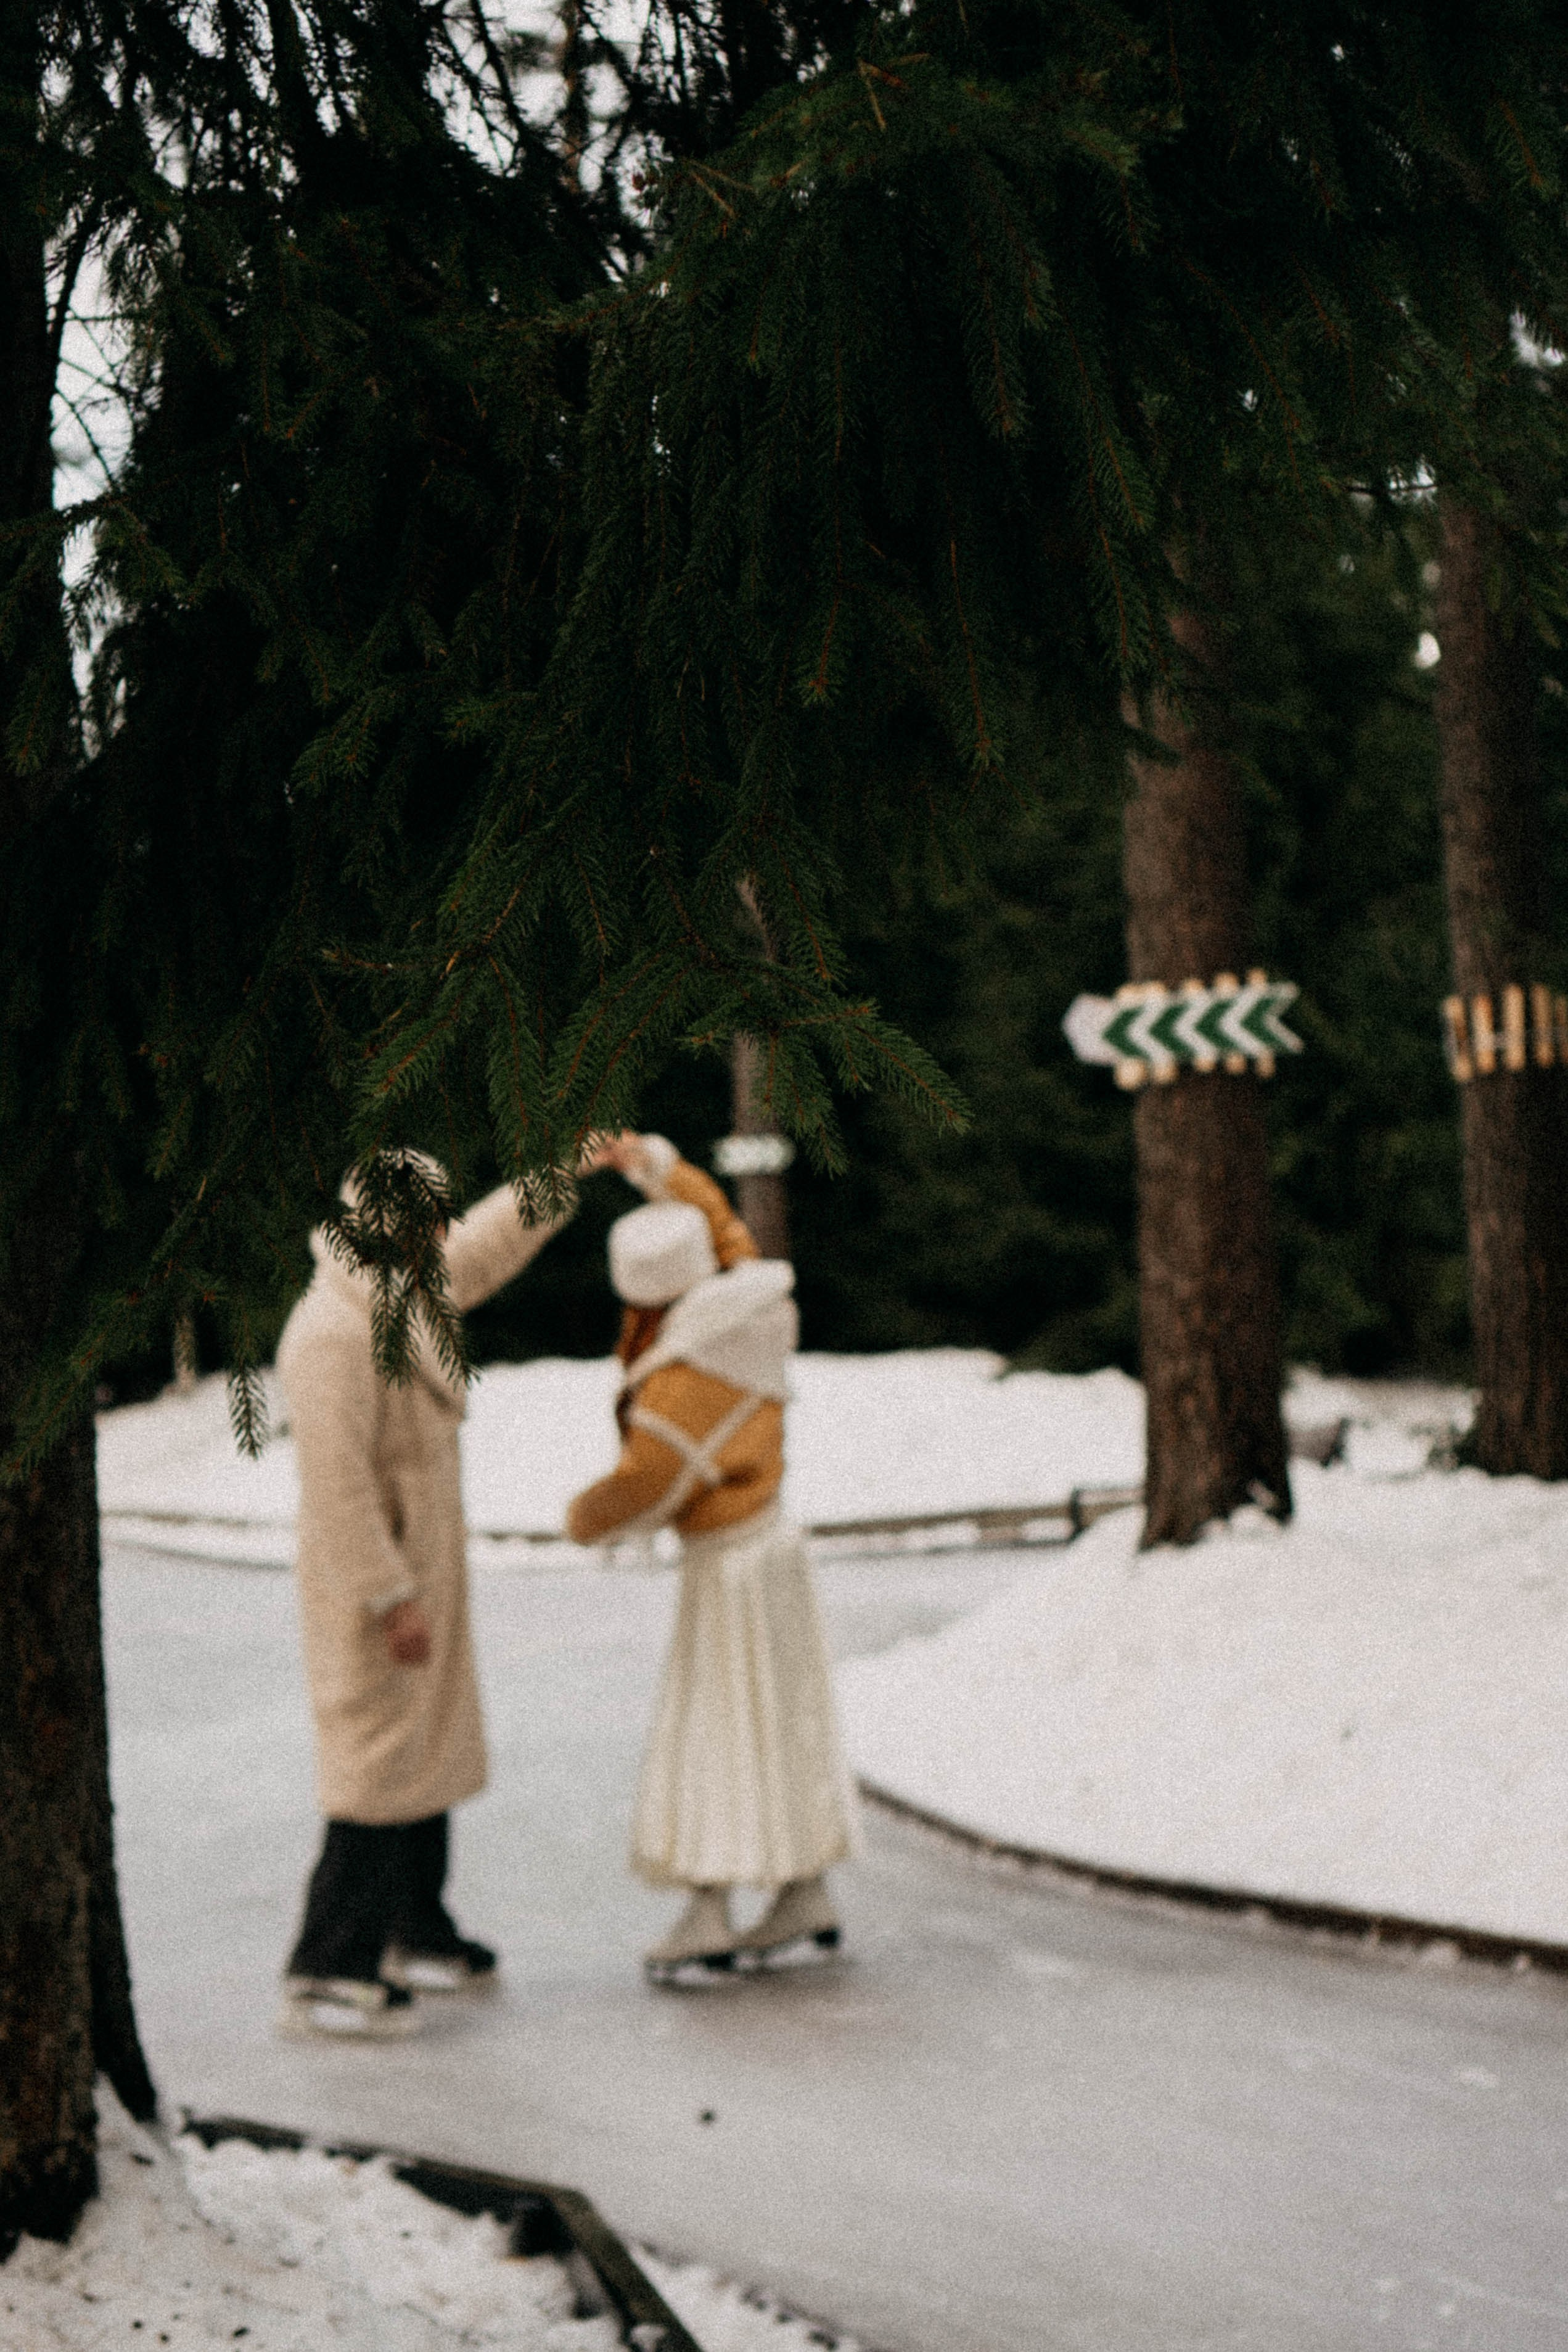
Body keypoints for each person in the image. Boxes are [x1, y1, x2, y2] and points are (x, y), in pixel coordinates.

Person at [276, 1154, 573, 2037]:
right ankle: (329, 1956)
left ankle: (417, 1926)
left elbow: (486, 1246)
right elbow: (337, 1487)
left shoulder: (402, 1293)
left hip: (425, 1571)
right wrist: (388, 1594)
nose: (442, 1233)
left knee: (424, 1751)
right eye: (426, 1221)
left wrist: (561, 1173)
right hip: (376, 1586)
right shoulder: (331, 1332)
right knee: (376, 1761)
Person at [567, 1132, 857, 1978]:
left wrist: (579, 1520)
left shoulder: (683, 1375)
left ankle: (708, 1907)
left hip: (726, 1568)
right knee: (782, 1723)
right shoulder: (747, 1301)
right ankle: (803, 1884)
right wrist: (646, 1162)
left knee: (715, 1733)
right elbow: (718, 1219)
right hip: (772, 1543)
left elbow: (642, 1482)